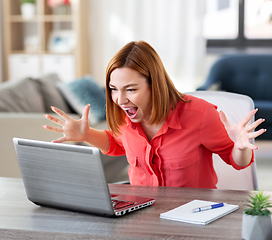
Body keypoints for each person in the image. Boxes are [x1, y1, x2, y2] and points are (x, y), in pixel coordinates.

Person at [43, 40, 266, 189]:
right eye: (113, 89)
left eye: (131, 89)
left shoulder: (200, 114)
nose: (120, 100)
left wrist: (240, 146)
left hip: (192, 215)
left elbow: (238, 162)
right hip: (141, 214)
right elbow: (117, 143)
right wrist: (86, 135)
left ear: (155, 85)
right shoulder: (125, 114)